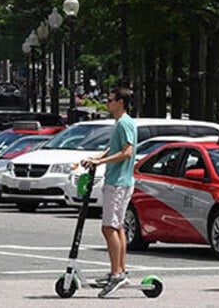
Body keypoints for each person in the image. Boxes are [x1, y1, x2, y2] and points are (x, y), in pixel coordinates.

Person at [80, 87, 136, 298]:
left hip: (118, 182)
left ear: (120, 102)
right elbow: (115, 148)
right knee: (117, 226)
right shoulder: (121, 123)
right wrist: (97, 158)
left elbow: (127, 152)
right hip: (119, 181)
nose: (107, 103)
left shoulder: (124, 123)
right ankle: (120, 270)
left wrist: (101, 162)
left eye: (110, 100)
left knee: (108, 228)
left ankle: (116, 274)